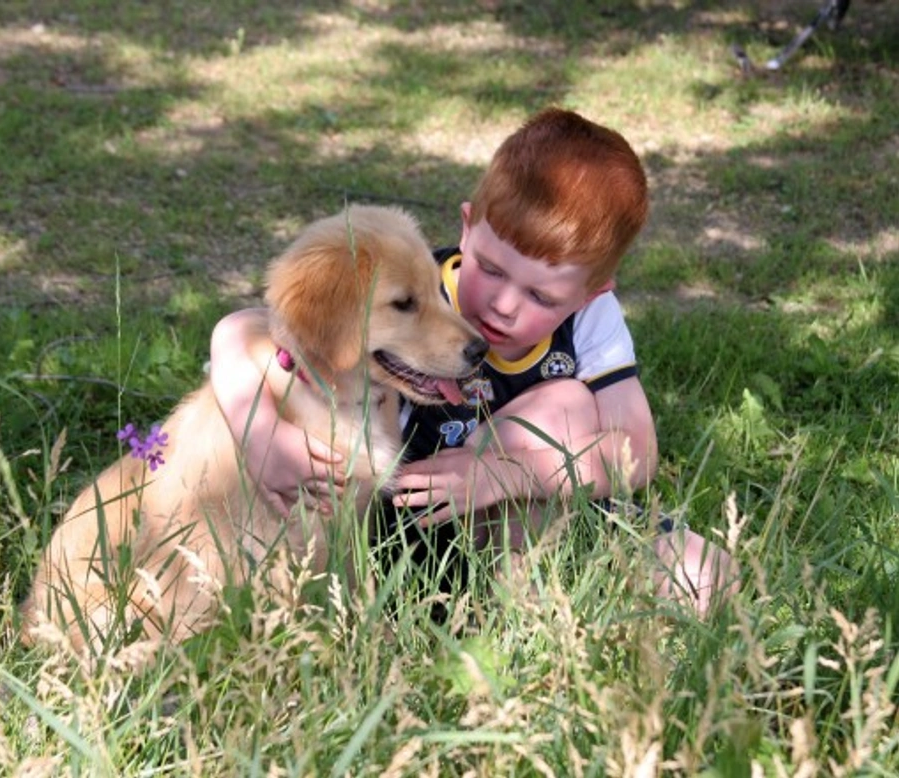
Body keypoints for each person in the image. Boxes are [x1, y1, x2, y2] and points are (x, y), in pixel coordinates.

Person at [210, 108, 738, 616]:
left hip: (535, 504)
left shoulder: (593, 320)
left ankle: (536, 612)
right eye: (489, 268)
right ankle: (502, 618)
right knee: (566, 403)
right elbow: (249, 327)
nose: (503, 305)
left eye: (542, 297)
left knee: (710, 575)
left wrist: (508, 473)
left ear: (589, 294)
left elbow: (636, 451)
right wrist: (258, 438)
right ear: (467, 228)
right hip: (408, 531)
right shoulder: (419, 285)